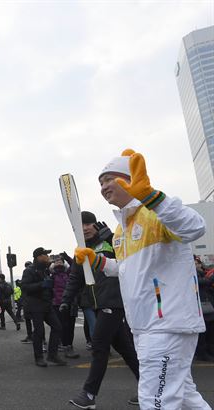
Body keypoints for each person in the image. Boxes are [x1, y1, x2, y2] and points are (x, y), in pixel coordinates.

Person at [75, 149, 210, 409]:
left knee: (154, 401)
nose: (103, 187)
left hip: (167, 324)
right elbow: (126, 269)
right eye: (100, 182)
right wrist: (98, 261)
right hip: (143, 324)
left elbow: (196, 227)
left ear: (131, 178)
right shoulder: (120, 230)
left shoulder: (158, 212)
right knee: (184, 396)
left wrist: (152, 197)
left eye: (110, 179)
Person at [64, 211, 140, 409]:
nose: (85, 228)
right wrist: (66, 299)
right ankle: (150, 386)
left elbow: (129, 260)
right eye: (80, 225)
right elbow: (75, 278)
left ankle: (89, 395)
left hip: (114, 301)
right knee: (126, 349)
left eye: (88, 223)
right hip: (98, 304)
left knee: (99, 346)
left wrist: (113, 239)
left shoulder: (111, 241)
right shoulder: (80, 250)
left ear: (95, 224)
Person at [21, 247, 67, 367]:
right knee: (39, 331)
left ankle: (52, 355)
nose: (47, 257)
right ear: (39, 257)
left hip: (47, 304)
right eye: (45, 255)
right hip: (35, 304)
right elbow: (25, 287)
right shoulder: (29, 271)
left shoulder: (46, 270)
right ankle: (39, 357)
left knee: (57, 327)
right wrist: (42, 285)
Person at [49, 254, 79, 359]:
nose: (59, 262)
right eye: (56, 261)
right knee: (63, 326)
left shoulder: (68, 273)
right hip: (58, 304)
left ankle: (69, 345)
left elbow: (74, 265)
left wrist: (67, 257)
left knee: (71, 326)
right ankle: (66, 347)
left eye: (60, 261)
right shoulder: (51, 275)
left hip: (71, 303)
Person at [195, 257, 214, 361]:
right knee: (203, 332)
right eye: (195, 263)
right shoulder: (191, 274)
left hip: (208, 304)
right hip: (201, 305)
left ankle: (209, 350)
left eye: (198, 262)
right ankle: (202, 353)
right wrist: (210, 279)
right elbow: (200, 283)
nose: (197, 264)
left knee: (210, 331)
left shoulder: (203, 272)